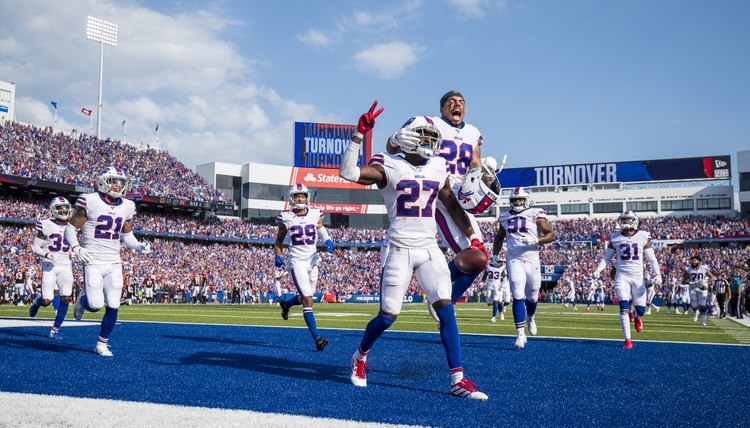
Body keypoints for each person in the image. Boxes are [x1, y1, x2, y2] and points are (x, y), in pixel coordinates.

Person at [340, 101, 488, 400]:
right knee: (388, 315)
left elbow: (451, 203)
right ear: (407, 136)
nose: (429, 141)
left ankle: (457, 380)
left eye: (431, 136)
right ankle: (359, 357)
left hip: (429, 247)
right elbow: (348, 173)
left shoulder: (437, 165)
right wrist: (358, 135)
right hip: (399, 248)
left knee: (445, 308)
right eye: (422, 135)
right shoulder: (388, 165)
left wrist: (472, 235)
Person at [387, 91, 500, 318]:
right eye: (451, 102)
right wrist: (394, 140)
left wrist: (484, 174)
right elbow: (395, 149)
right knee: (474, 257)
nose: (456, 105)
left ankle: (443, 297)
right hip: (437, 194)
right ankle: (441, 299)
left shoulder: (473, 133)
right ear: (442, 109)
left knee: (480, 257)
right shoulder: (428, 123)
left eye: (461, 102)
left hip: (459, 194)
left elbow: (474, 164)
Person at [66, 167, 152, 356]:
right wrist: (76, 248)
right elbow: (70, 229)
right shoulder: (90, 201)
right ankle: (82, 300)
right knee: (95, 305)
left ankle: (101, 343)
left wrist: (138, 246)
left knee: (113, 303)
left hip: (114, 261)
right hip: (93, 259)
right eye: (115, 181)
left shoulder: (127, 206)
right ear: (104, 181)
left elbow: (127, 236)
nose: (118, 186)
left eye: (121, 182)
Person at [273, 183, 334, 352]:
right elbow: (279, 241)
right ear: (291, 198)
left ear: (307, 197)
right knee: (308, 299)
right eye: (297, 196)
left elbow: (320, 227)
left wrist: (327, 239)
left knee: (305, 297)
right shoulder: (286, 217)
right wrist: (278, 256)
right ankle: (317, 338)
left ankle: (287, 305)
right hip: (297, 261)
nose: (300, 198)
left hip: (313, 260)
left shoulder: (315, 213)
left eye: (302, 196)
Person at [493, 187, 556, 349]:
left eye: (520, 199)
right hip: (514, 259)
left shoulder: (535, 213)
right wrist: (495, 254)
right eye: (515, 200)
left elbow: (551, 234)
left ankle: (531, 317)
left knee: (533, 296)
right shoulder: (505, 217)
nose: (518, 202)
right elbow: (499, 237)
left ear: (527, 200)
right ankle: (520, 333)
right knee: (518, 295)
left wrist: (536, 240)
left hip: (532, 259)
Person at [593, 211, 661, 349]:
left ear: (634, 221)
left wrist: (658, 274)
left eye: (628, 220)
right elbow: (607, 258)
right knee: (623, 307)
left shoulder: (642, 235)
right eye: (623, 220)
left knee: (641, 310)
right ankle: (627, 340)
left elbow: (652, 258)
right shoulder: (615, 237)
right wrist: (598, 270)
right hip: (622, 277)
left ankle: (636, 316)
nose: (625, 222)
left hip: (638, 278)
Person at [28, 196, 74, 340]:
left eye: (66, 208)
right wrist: (46, 254)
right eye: (61, 208)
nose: (64, 211)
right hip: (49, 266)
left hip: (66, 265)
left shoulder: (72, 226)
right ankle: (37, 301)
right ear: (54, 210)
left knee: (66, 297)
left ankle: (55, 330)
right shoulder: (45, 224)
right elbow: (35, 247)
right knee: (47, 300)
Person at [683, 254, 716, 326]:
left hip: (702, 288)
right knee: (694, 304)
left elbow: (713, 277)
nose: (693, 262)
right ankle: (696, 312)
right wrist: (692, 283)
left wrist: (705, 282)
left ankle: (703, 320)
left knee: (703, 303)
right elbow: (684, 280)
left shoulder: (704, 268)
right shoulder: (688, 269)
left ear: (699, 261)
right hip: (693, 288)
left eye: (695, 260)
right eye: (692, 260)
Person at [484, 257, 507, 322]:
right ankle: (499, 309)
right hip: (490, 286)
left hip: (497, 286)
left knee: (496, 301)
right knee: (489, 302)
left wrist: (502, 278)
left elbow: (504, 275)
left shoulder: (492, 267)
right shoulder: (490, 267)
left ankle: (494, 317)